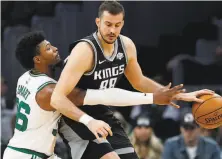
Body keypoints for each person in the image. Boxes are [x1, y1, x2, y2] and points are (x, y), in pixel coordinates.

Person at [51, 1, 214, 159]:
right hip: (73, 115)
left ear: (122, 23)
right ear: (98, 22)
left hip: (101, 109)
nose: (112, 30)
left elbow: (139, 81)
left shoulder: (126, 45)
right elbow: (57, 98)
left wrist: (179, 95)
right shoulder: (85, 51)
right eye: (108, 24)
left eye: (117, 25)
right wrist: (89, 121)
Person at [3, 31, 190, 159]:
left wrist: (70, 66)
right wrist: (151, 97)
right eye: (49, 49)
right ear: (38, 59)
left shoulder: (25, 78)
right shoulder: (50, 91)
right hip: (28, 154)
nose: (55, 49)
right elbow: (104, 96)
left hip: (28, 151)